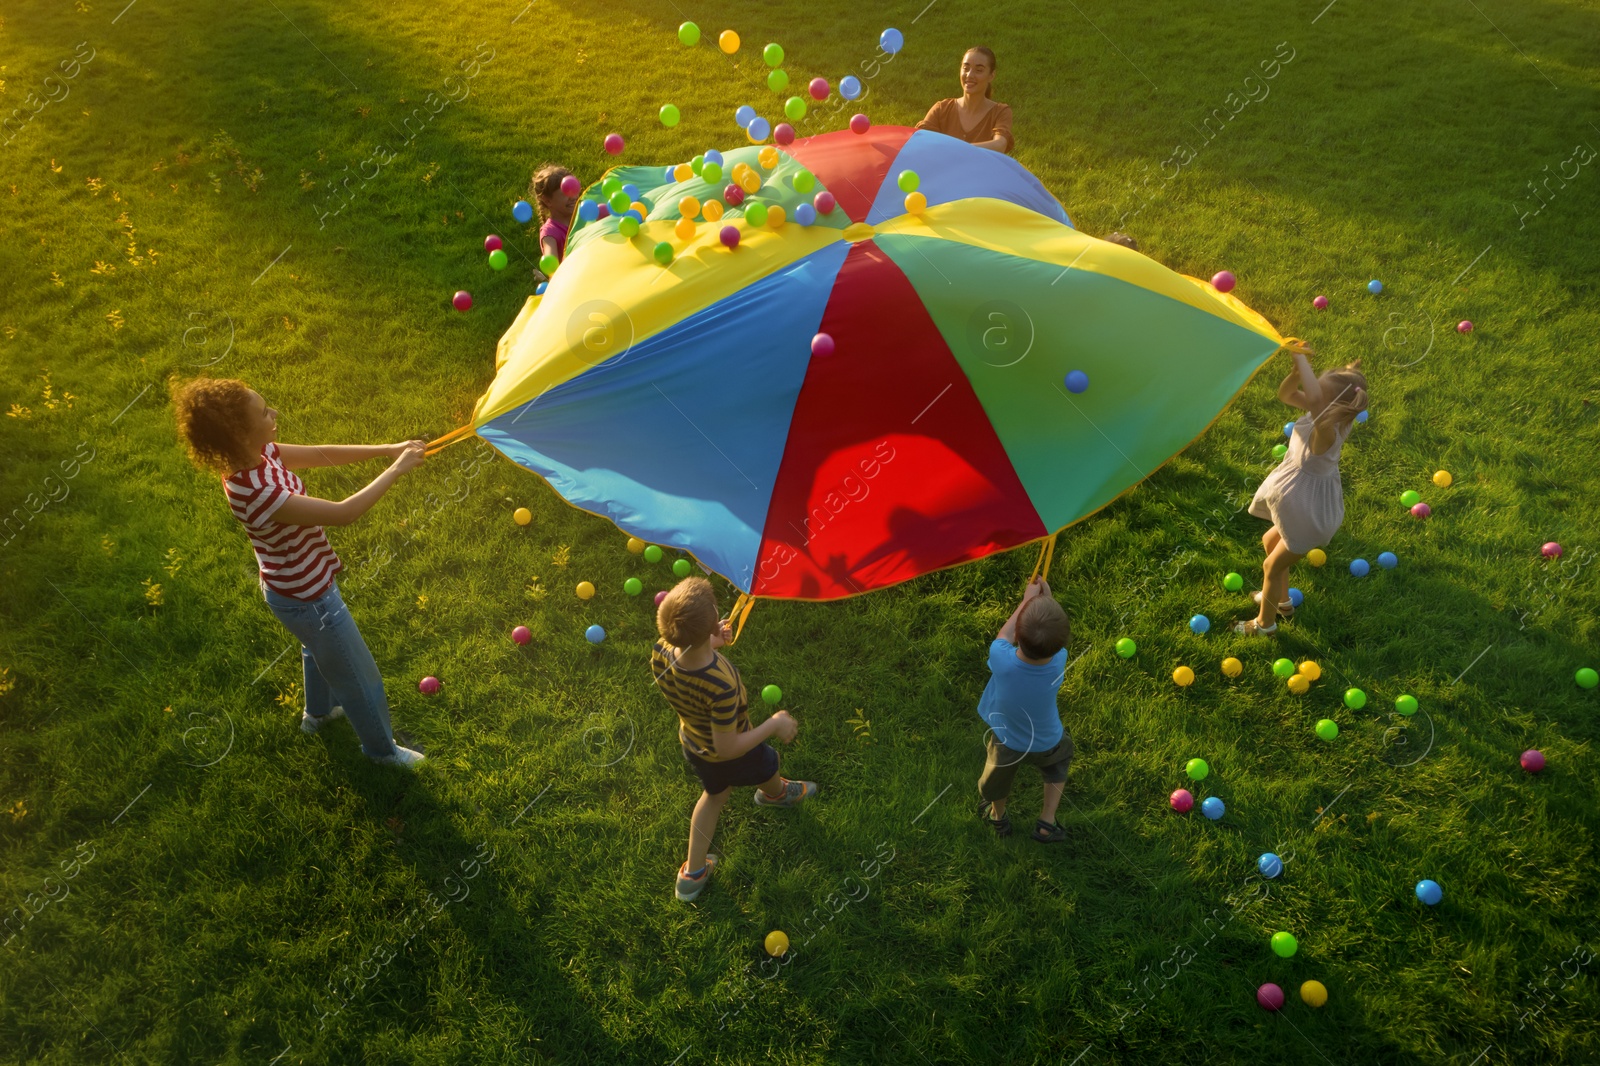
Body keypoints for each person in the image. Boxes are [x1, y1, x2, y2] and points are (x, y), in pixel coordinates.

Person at [170, 377, 430, 767]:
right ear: (238, 433)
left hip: (294, 586)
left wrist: (388, 449)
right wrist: (396, 468)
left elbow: (321, 453)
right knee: (359, 679)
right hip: (308, 597)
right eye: (263, 413)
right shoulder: (254, 490)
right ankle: (383, 753)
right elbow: (345, 513)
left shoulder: (260, 455)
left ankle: (319, 715)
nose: (274, 414)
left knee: (318, 650)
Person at [650, 577, 817, 902]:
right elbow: (728, 747)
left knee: (714, 796)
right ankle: (775, 794)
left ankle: (692, 876)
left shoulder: (661, 649)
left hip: (693, 743)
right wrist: (773, 724)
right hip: (729, 750)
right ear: (713, 619)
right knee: (768, 763)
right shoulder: (720, 686)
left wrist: (710, 643)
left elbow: (687, 653)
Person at [1235, 345, 1369, 635]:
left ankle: (1264, 625)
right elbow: (1285, 394)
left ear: (1331, 404)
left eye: (1316, 391)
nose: (1310, 394)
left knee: (1271, 566)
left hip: (1311, 515)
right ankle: (1281, 602)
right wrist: (1296, 373)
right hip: (1300, 505)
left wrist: (1300, 358)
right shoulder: (1321, 416)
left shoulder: (1326, 433)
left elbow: (1317, 399)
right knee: (1270, 542)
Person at [976, 577, 1073, 843]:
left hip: (1008, 740)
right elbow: (1048, 633)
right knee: (1056, 767)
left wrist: (1026, 600)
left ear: (1019, 635)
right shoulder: (1059, 661)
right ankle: (1046, 822)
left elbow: (1003, 636)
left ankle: (998, 818)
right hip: (1048, 739)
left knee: (998, 781)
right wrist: (1047, 600)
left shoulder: (1001, 659)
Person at [914, 46, 1014, 153]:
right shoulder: (942, 108)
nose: (969, 75)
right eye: (966, 68)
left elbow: (999, 145)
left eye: (979, 70)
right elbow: (919, 141)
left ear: (991, 76)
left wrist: (957, 150)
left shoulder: (1000, 112)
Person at [528, 162, 576, 285]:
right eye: (566, 193)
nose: (573, 196)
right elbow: (551, 264)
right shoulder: (550, 233)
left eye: (574, 189)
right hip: (572, 284)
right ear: (547, 200)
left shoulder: (583, 215)